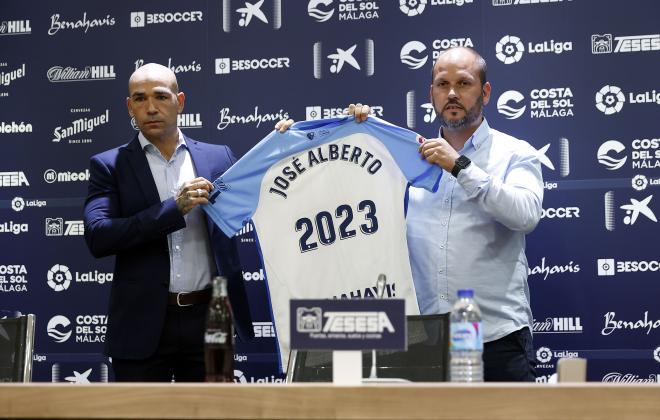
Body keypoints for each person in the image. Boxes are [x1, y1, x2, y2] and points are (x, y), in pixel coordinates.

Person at [276, 47, 543, 381]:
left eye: (464, 83)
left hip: (496, 339)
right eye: (442, 84)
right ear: (431, 93)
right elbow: (339, 191)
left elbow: (526, 215)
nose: (453, 94)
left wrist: (459, 166)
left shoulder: (515, 153)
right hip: (420, 340)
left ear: (485, 92)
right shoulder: (402, 159)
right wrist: (298, 145)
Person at [83, 63, 252, 382]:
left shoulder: (219, 158)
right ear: (129, 106)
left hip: (209, 321)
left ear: (180, 101)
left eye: (160, 96)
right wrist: (173, 209)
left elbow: (269, 193)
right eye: (140, 98)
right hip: (140, 325)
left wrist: (348, 127)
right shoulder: (109, 165)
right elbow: (98, 236)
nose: (150, 107)